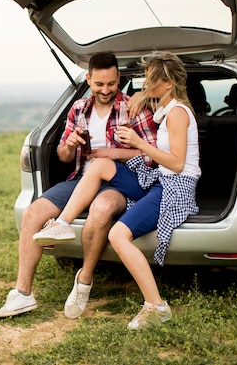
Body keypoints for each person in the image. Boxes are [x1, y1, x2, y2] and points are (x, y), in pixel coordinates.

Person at [0, 51, 158, 318]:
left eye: (112, 84)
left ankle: (84, 280)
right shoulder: (79, 108)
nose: (106, 90)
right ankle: (22, 294)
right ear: (89, 79)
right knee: (34, 212)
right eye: (99, 84)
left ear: (119, 79)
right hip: (82, 178)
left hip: (120, 183)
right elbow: (63, 157)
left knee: (102, 209)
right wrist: (69, 145)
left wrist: (113, 153)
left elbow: (152, 153)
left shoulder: (133, 108)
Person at [46, 51, 201, 329]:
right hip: (160, 179)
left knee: (118, 234)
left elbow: (177, 164)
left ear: (168, 84)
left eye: (151, 79)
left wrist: (138, 143)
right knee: (101, 164)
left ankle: (156, 306)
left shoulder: (177, 114)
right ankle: (61, 223)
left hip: (174, 188)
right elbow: (143, 106)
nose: (144, 83)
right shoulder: (167, 108)